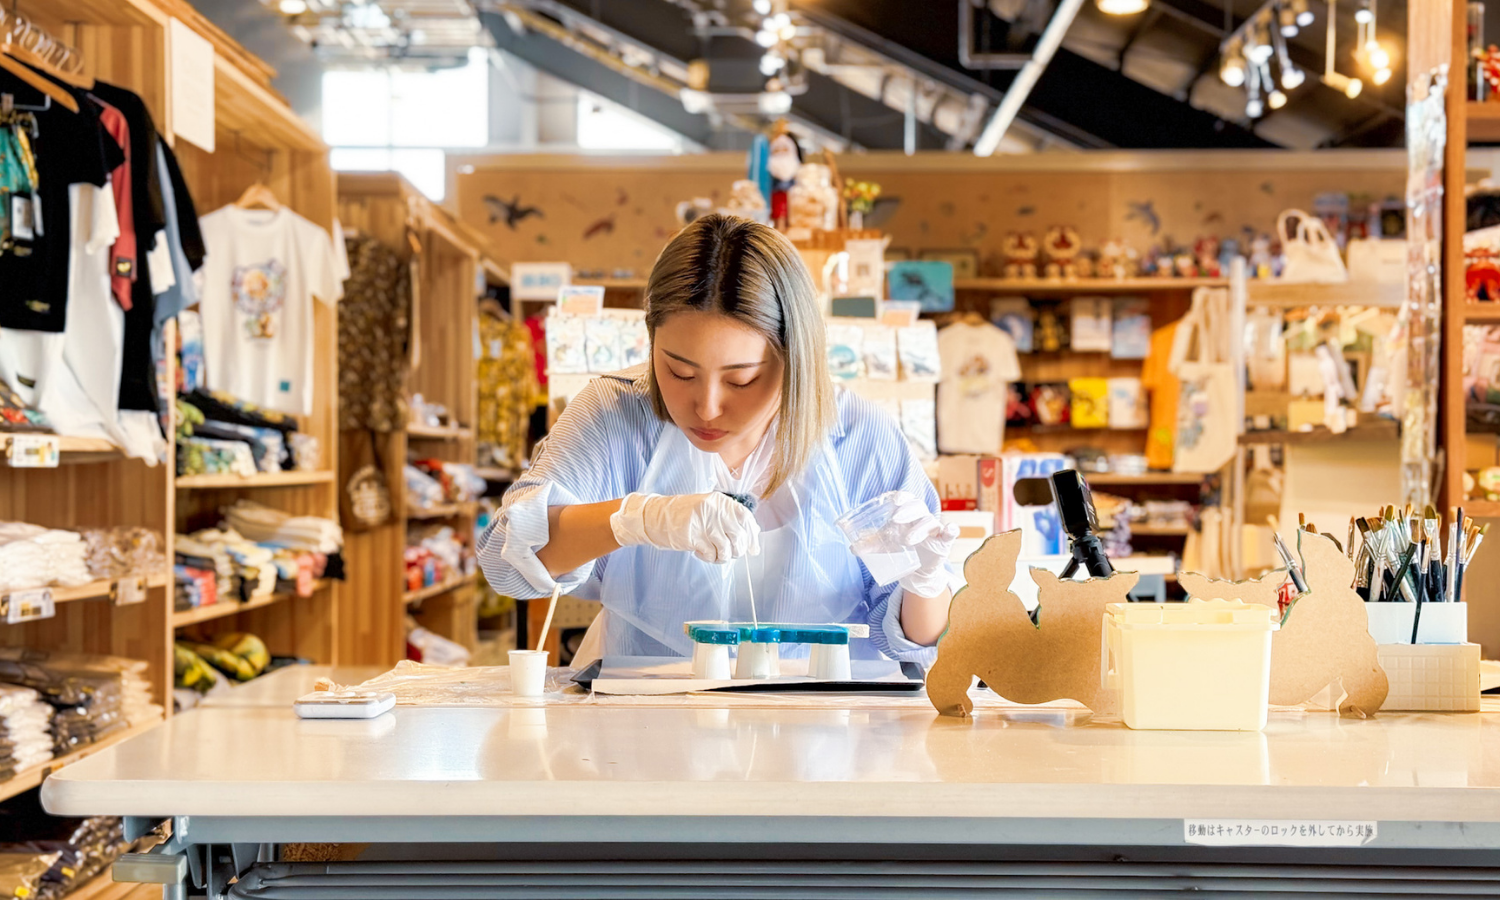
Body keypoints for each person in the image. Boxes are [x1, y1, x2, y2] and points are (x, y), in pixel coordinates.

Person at [478, 215, 957, 667]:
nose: (706, 407)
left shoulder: (858, 438)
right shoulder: (617, 415)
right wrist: (636, 519)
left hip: (821, 733)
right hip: (647, 731)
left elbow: (921, 644)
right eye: (679, 371)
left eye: (742, 379)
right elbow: (509, 564)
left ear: (796, 359)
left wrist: (925, 581)